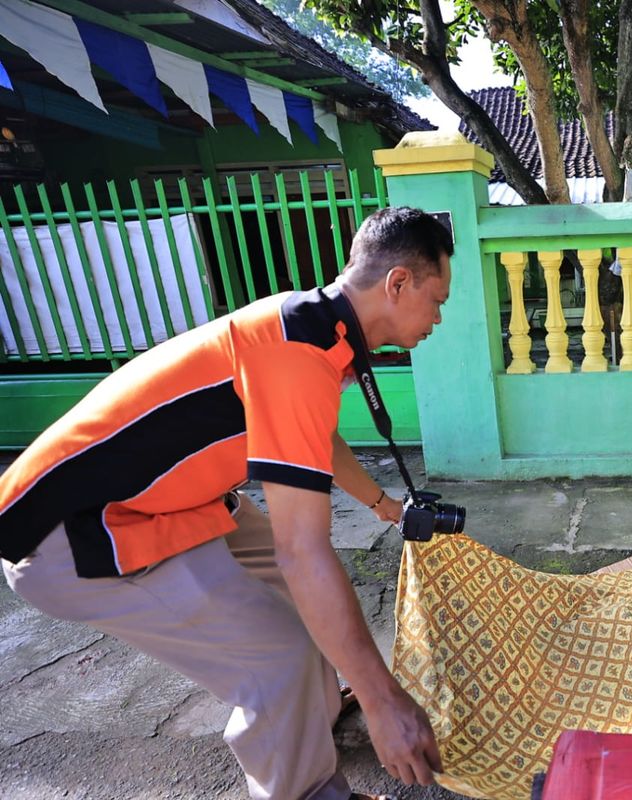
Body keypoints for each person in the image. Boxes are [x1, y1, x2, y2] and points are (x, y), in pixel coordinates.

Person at [0, 207, 453, 800]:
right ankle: (305, 786)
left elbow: (319, 435)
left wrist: (382, 505)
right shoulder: (299, 352)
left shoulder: (320, 329)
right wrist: (383, 700)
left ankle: (309, 708)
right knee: (279, 659)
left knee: (307, 593)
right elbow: (301, 550)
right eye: (437, 299)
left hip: (167, 501)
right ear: (397, 284)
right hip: (79, 532)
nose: (439, 318)